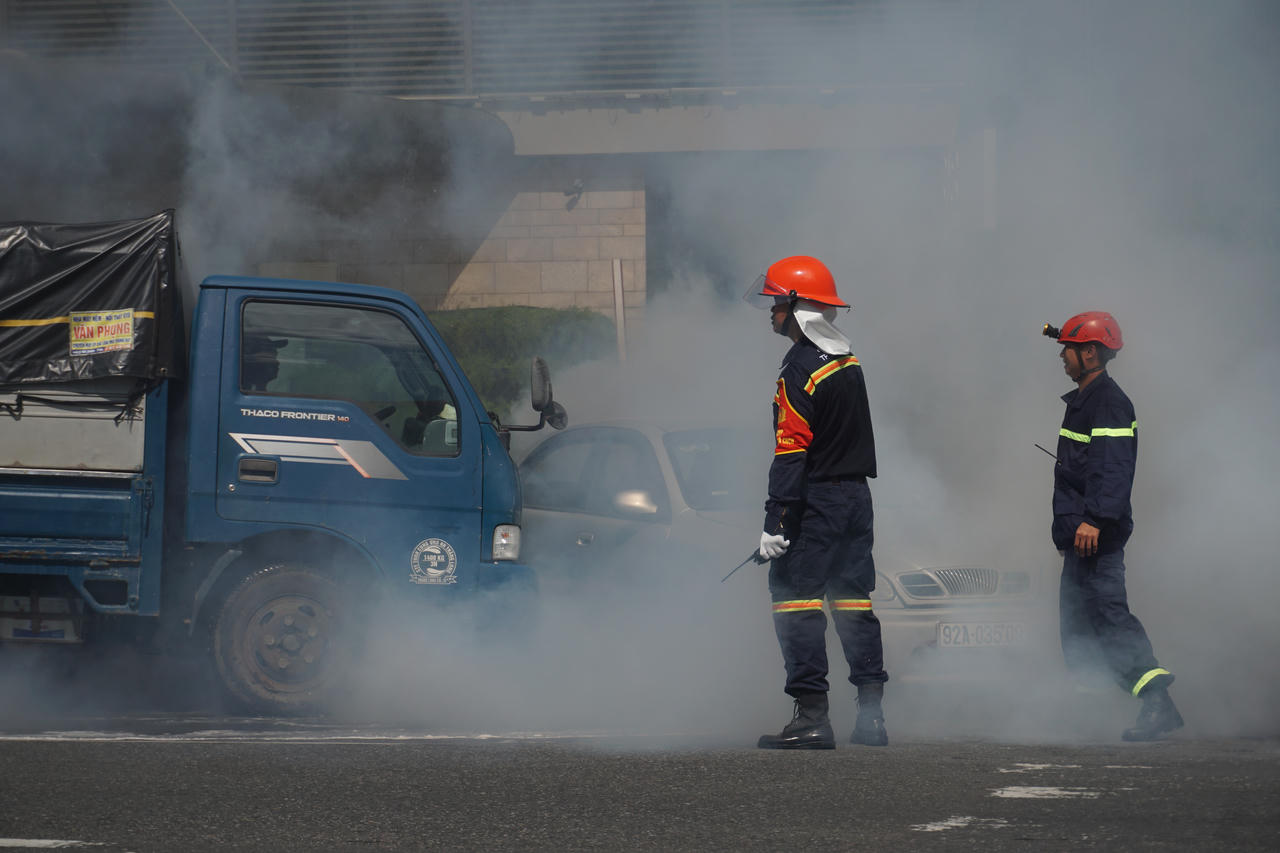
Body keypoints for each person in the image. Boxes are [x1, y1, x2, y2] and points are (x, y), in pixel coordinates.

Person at [744, 255, 888, 750]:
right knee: (853, 603)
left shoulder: (798, 368)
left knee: (794, 599)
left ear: (794, 305)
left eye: (775, 303)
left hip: (818, 501)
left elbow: (791, 450)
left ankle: (811, 718)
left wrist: (777, 520)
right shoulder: (847, 361)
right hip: (856, 500)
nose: (770, 312)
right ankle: (871, 718)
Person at [1044, 311, 1183, 741]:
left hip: (1095, 537)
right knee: (1077, 623)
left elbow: (1113, 469)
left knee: (1108, 616)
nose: (1062, 357)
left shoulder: (1108, 401)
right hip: (1080, 537)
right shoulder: (1087, 400)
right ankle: (1089, 712)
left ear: (1089, 352)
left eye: (1067, 348)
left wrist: (1095, 520)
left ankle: (1157, 701)